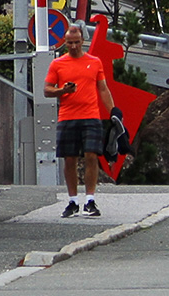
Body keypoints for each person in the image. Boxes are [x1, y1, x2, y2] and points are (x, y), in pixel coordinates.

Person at [46, 30, 117, 217]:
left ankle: (90, 200)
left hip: (90, 115)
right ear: (65, 42)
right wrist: (62, 90)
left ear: (83, 41)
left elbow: (103, 88)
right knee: (69, 158)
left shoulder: (94, 62)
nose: (74, 46)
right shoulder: (58, 63)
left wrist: (113, 112)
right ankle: (72, 201)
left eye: (77, 42)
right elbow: (47, 90)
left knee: (92, 155)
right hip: (68, 116)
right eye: (70, 43)